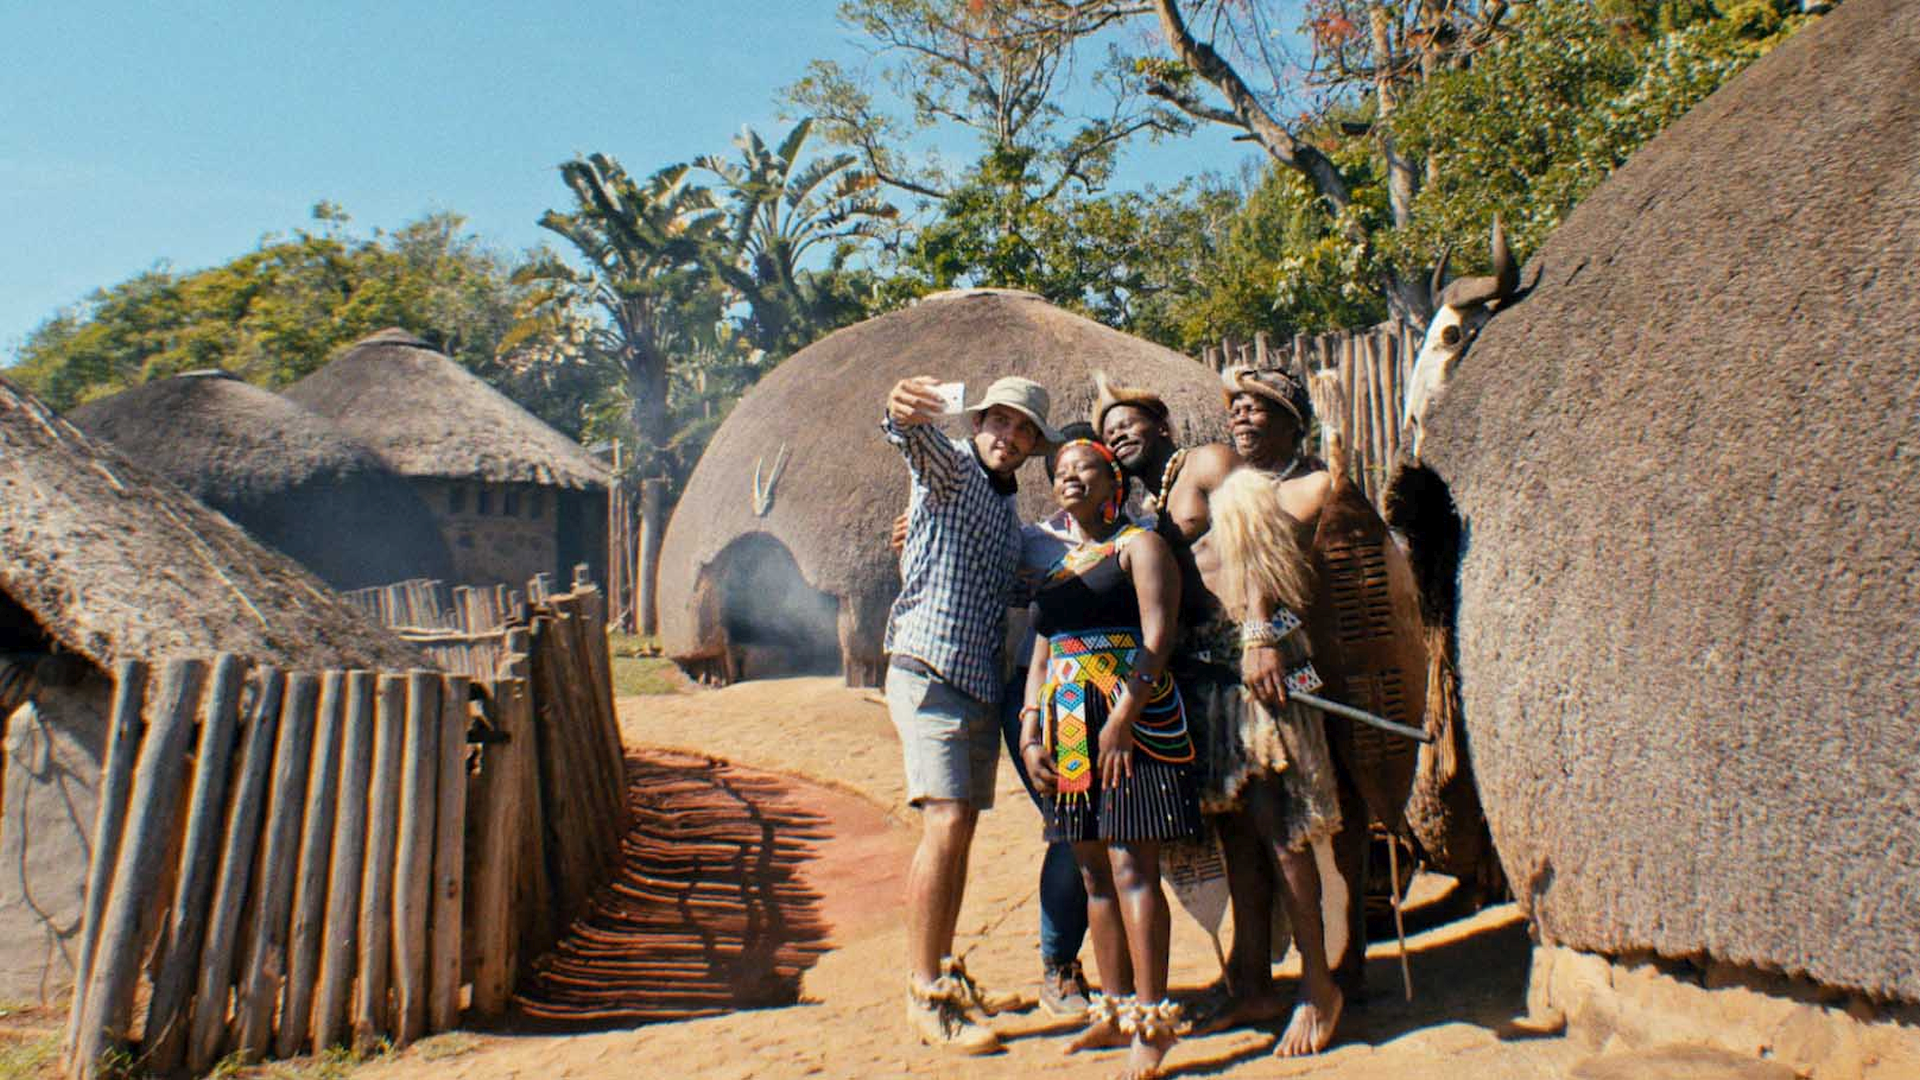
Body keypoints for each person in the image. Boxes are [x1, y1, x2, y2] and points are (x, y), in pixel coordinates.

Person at [1097, 369, 1354, 1057]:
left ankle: (1319, 987)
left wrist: (1260, 634)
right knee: (1238, 832)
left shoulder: (1209, 462)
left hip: (1252, 658)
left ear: (1162, 426)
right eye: (1107, 431)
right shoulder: (1145, 500)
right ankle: (1253, 982)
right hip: (1205, 672)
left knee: (1280, 825)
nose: (1118, 435)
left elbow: (1254, 540)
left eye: (1128, 423)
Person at [882, 373, 1061, 1055]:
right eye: (1000, 422)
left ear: (1033, 446)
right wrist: (901, 409)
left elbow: (1021, 585)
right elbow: (914, 442)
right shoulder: (953, 470)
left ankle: (944, 969)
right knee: (947, 823)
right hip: (929, 669)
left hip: (976, 682)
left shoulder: (1010, 522)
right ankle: (925, 991)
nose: (1009, 437)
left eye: (1024, 430)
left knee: (959, 835)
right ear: (978, 422)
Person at [1016, 438, 1200, 1080]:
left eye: (1084, 467)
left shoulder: (1138, 546)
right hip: (1068, 722)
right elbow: (1043, 654)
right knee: (1093, 870)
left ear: (1112, 482)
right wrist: (1030, 728)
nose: (1069, 476)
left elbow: (1159, 634)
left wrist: (1123, 717)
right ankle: (1115, 1009)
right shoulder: (1060, 566)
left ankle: (1152, 1021)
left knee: (1130, 866)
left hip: (1130, 717)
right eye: (1061, 471)